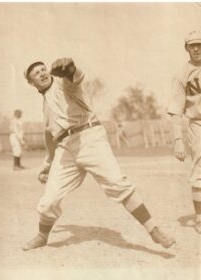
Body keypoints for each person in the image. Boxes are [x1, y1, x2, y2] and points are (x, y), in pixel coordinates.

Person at [22, 58, 175, 251]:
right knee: (48, 200)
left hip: (89, 138)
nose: (42, 73)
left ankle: (153, 230)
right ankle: (42, 236)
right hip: (66, 147)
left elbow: (76, 77)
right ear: (31, 83)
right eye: (36, 73)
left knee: (117, 184)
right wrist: (47, 164)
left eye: (43, 69)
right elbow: (50, 136)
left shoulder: (62, 84)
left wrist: (69, 69)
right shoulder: (45, 105)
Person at [168, 30, 201, 234]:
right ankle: (199, 217)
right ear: (186, 48)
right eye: (192, 45)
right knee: (200, 170)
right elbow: (175, 109)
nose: (197, 48)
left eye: (200, 44)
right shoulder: (182, 74)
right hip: (198, 124)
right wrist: (178, 140)